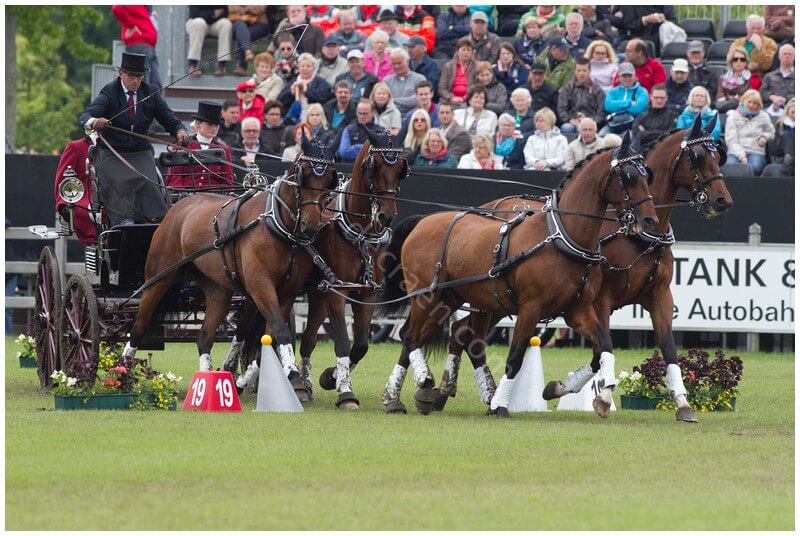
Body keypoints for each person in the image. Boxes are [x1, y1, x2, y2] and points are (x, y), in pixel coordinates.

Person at [78, 52, 188, 226]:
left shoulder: (151, 92)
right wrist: (94, 122)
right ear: (120, 73)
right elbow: (86, 115)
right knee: (120, 183)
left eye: (139, 76)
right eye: (131, 75)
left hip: (140, 152)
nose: (135, 81)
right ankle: (124, 221)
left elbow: (169, 119)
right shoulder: (109, 92)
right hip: (112, 153)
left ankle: (154, 221)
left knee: (149, 183)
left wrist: (180, 130)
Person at [165, 101, 235, 190]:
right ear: (198, 124)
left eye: (216, 125)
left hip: (214, 196)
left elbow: (227, 181)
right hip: (186, 195)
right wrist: (182, 194)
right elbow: (174, 178)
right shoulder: (183, 146)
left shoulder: (224, 149)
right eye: (210, 124)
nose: (214, 129)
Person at [54, 135, 97, 244]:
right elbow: (62, 181)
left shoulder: (118, 147)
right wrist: (63, 204)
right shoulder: (76, 147)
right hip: (84, 196)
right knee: (97, 211)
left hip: (113, 196)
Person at [724, 89, 775, 175]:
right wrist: (742, 156)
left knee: (755, 167)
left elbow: (771, 132)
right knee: (731, 167)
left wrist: (765, 137)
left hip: (756, 151)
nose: (751, 105)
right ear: (743, 101)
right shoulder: (732, 117)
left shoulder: (764, 116)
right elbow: (731, 141)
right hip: (735, 152)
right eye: (749, 102)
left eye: (755, 103)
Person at [112, 5, 162, 88]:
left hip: (148, 46)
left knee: (155, 84)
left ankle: (153, 97)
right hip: (139, 45)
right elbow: (117, 8)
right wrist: (130, 25)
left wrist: (150, 16)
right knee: (142, 83)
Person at [278, 53, 334, 125]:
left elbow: (322, 98)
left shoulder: (320, 82)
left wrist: (306, 90)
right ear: (298, 67)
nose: (305, 69)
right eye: (302, 66)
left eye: (308, 66)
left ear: (313, 68)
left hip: (314, 118)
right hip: (293, 118)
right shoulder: (293, 81)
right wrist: (291, 92)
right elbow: (280, 100)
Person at [557, 57, 605, 134]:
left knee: (584, 128)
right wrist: (569, 119)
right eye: (579, 70)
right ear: (575, 71)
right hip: (571, 122)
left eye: (584, 70)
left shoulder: (597, 90)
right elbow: (561, 109)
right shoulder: (567, 89)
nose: (581, 73)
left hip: (590, 122)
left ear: (589, 71)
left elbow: (601, 114)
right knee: (566, 128)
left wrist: (588, 120)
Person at [602, 62, 648, 136]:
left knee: (627, 138)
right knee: (601, 135)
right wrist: (629, 103)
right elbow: (608, 106)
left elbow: (639, 108)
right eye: (624, 76)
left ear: (635, 76)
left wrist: (617, 105)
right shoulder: (612, 91)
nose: (627, 79)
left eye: (630, 76)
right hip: (614, 124)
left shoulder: (642, 91)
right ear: (619, 77)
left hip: (633, 125)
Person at [185, 6, 232, 77]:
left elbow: (225, 11)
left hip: (214, 23)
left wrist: (216, 15)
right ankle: (193, 65)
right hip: (196, 22)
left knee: (226, 23)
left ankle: (221, 65)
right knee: (198, 23)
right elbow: (194, 14)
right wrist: (213, 13)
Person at [228, 6, 270, 76]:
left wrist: (242, 9)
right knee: (241, 29)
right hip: (238, 23)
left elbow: (260, 8)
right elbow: (230, 8)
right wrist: (246, 11)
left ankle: (242, 67)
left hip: (259, 23)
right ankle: (248, 52)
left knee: (243, 35)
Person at [383, 48, 427, 114]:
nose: (396, 66)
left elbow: (417, 100)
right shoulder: (387, 81)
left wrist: (393, 100)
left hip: (414, 116)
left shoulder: (419, 79)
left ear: (407, 61)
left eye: (399, 63)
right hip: (391, 116)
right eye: (394, 64)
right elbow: (383, 101)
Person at [438, 37, 477, 107]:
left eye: (468, 50)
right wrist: (451, 97)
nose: (466, 52)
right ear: (458, 51)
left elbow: (477, 87)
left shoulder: (476, 66)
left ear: (472, 53)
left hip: (469, 99)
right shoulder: (448, 66)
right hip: (449, 99)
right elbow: (442, 88)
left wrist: (464, 98)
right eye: (463, 50)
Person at [760, 44, 795, 118]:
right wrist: (772, 97)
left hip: (792, 110)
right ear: (779, 56)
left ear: (794, 57)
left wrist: (784, 99)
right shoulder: (769, 76)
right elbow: (762, 92)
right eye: (784, 54)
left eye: (790, 54)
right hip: (769, 108)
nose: (787, 56)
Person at [716, 47, 754, 114]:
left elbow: (752, 98)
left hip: (746, 109)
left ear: (746, 62)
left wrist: (731, 98)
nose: (739, 61)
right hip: (726, 109)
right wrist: (737, 98)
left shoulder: (752, 78)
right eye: (735, 59)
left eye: (742, 59)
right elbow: (720, 98)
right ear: (731, 61)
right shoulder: (723, 78)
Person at [768, 98, 795, 164]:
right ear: (788, 112)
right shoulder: (780, 125)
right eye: (793, 112)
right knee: (786, 134)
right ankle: (789, 159)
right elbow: (775, 147)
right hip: (783, 154)